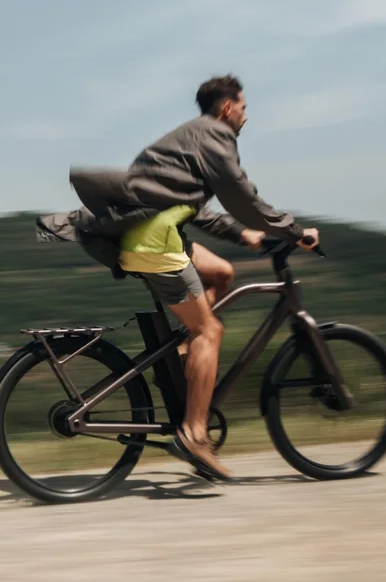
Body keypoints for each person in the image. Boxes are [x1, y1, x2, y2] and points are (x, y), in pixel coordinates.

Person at [41, 74, 319, 481]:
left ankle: (183, 360)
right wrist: (293, 231)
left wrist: (243, 235)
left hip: (154, 232)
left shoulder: (186, 139)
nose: (246, 114)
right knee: (211, 331)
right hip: (156, 244)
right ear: (227, 107)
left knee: (222, 272)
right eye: (243, 106)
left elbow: (190, 205)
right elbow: (241, 195)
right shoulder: (215, 138)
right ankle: (193, 433)